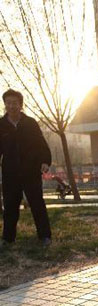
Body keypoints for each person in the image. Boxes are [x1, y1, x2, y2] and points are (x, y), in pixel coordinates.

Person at [0, 89, 52, 247]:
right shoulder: (1, 125)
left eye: (14, 103)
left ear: (20, 105)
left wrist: (45, 161)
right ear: (5, 105)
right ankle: (8, 238)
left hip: (31, 170)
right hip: (10, 172)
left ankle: (44, 236)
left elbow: (41, 144)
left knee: (37, 203)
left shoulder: (30, 123)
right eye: (8, 103)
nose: (11, 106)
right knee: (10, 206)